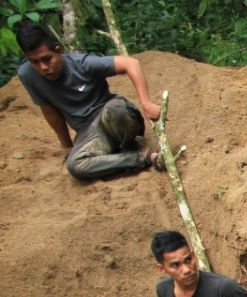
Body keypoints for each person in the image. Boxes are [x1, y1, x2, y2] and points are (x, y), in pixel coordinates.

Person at [16, 21, 163, 179]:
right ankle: (142, 158)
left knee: (119, 110)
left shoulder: (82, 64)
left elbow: (131, 63)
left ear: (57, 51)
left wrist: (146, 103)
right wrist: (66, 145)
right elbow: (50, 110)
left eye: (47, 59)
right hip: (88, 133)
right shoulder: (27, 75)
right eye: (34, 62)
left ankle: (126, 146)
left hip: (110, 115)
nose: (43, 67)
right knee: (75, 165)